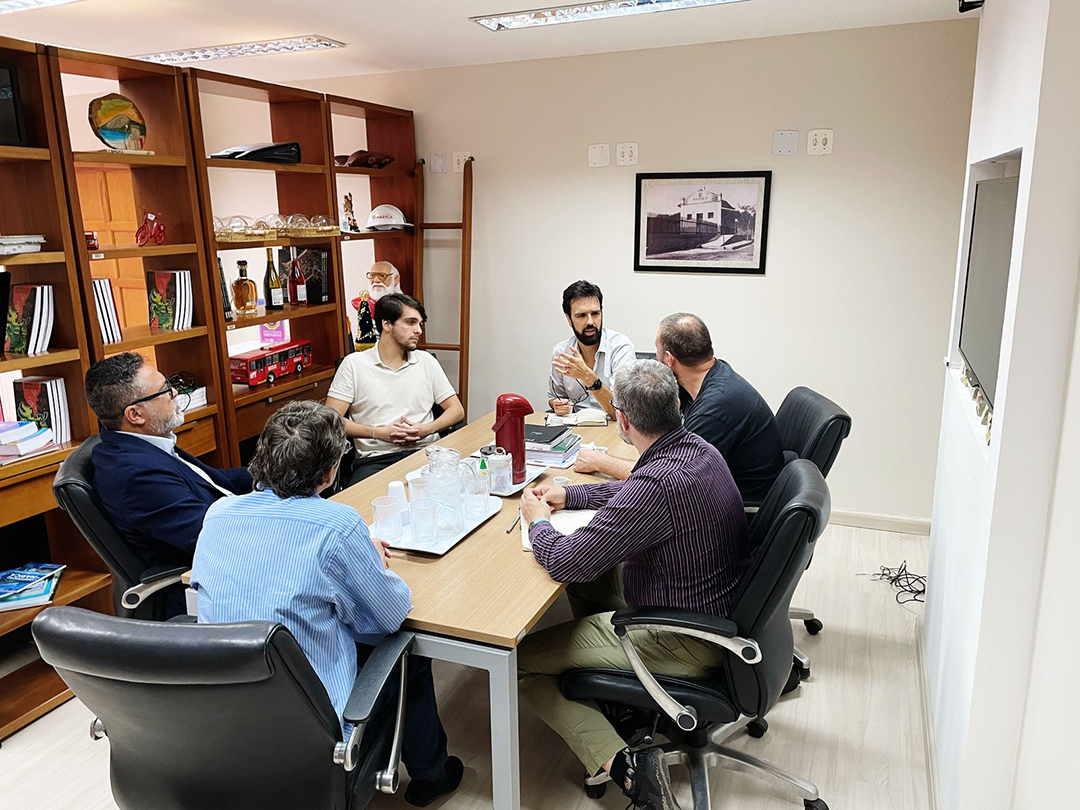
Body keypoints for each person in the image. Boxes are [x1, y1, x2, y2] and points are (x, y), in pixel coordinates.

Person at [191, 401, 463, 807]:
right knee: (409, 652)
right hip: (309, 725)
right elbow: (390, 615)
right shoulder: (338, 524)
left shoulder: (217, 514)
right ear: (330, 472)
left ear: (261, 457)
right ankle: (431, 774)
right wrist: (368, 559)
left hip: (223, 710)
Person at [518, 360, 751, 810]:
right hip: (709, 606)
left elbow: (568, 562)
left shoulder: (657, 483)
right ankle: (613, 693)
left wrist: (539, 523)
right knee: (595, 581)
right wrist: (574, 494)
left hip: (680, 636)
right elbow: (636, 496)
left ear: (622, 419)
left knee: (523, 660)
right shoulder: (697, 449)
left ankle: (625, 766)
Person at [84, 352, 251, 617]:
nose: (175, 392)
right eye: (165, 390)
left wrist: (276, 472)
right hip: (205, 589)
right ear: (136, 414)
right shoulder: (135, 475)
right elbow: (214, 536)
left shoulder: (144, 444)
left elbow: (212, 481)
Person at [575, 313, 785, 504]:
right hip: (723, 492)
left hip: (738, 512)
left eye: (656, 350)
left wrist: (601, 462)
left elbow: (662, 479)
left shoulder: (714, 410)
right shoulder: (714, 375)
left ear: (668, 359)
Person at [327, 293, 465, 485]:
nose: (418, 330)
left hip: (426, 454)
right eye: (410, 322)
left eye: (420, 324)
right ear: (387, 324)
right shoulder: (354, 364)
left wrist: (427, 429)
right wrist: (378, 433)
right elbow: (330, 422)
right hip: (375, 461)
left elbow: (457, 410)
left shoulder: (426, 361)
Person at [548, 280, 635, 418]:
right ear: (568, 319)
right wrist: (557, 405)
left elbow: (622, 411)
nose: (590, 322)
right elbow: (554, 397)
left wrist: (587, 377)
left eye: (595, 314)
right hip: (577, 428)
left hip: (615, 429)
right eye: (581, 315)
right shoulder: (561, 352)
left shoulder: (621, 347)